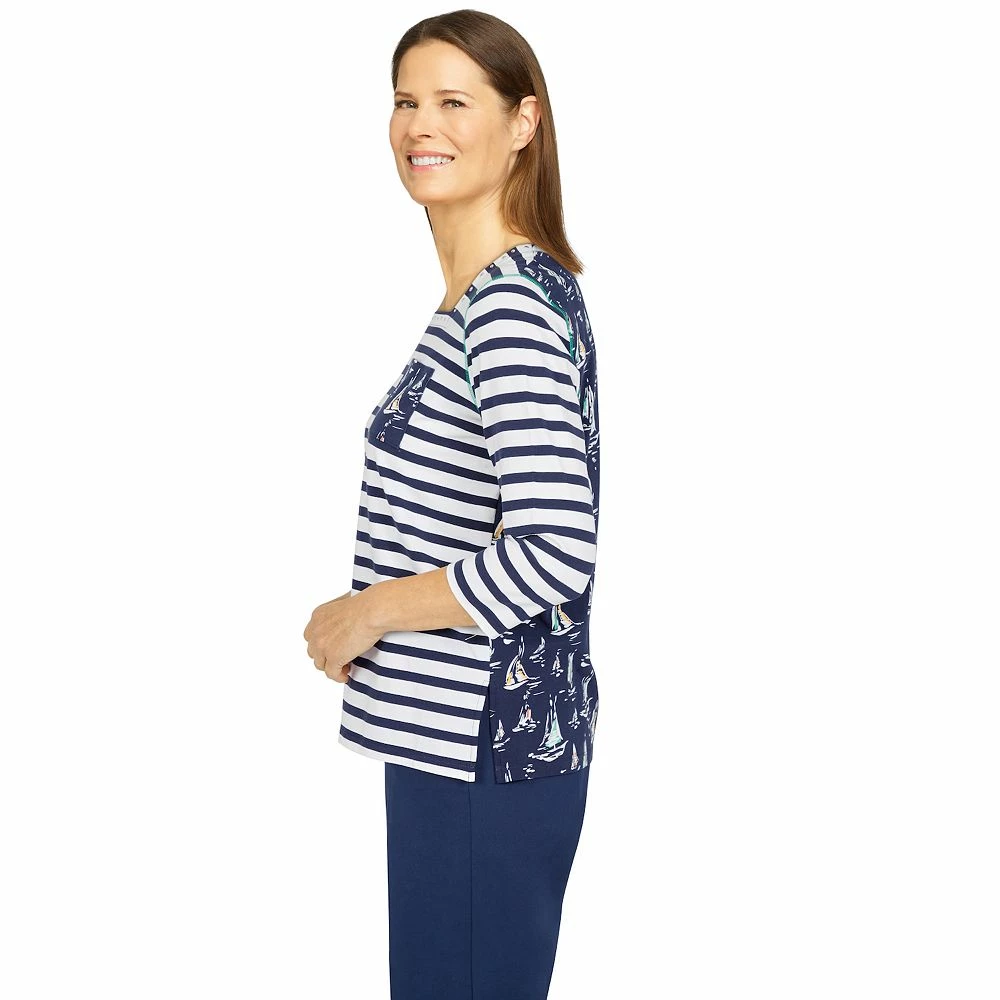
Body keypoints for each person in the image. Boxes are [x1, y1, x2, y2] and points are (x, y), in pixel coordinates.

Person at [303, 10, 602, 999]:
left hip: (484, 752)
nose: (419, 125)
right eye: (405, 101)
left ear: (523, 122)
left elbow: (554, 548)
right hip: (460, 748)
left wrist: (368, 611)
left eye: (452, 102)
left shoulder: (507, 308)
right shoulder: (488, 297)